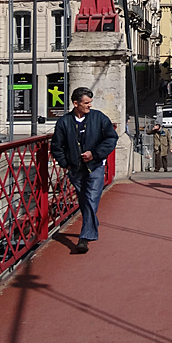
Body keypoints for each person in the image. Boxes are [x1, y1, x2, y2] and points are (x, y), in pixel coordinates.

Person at [50, 87, 118, 254]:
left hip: (95, 166)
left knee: (90, 199)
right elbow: (56, 146)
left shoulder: (99, 118)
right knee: (85, 201)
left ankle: (84, 238)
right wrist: (65, 163)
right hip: (75, 169)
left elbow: (111, 138)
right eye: (86, 103)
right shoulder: (63, 122)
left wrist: (94, 154)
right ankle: (92, 223)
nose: (89, 105)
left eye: (90, 102)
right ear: (75, 103)